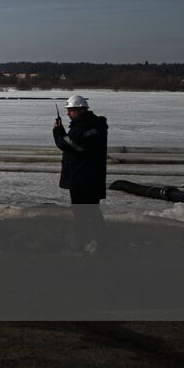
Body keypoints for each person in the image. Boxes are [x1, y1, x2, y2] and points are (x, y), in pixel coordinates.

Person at [52, 94, 108, 251]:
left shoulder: (82, 127)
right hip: (92, 176)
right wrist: (63, 130)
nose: (68, 113)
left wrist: (57, 131)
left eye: (71, 110)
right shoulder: (94, 125)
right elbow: (75, 144)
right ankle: (97, 240)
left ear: (80, 110)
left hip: (81, 177)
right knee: (92, 210)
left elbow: (67, 144)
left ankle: (84, 241)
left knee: (81, 212)